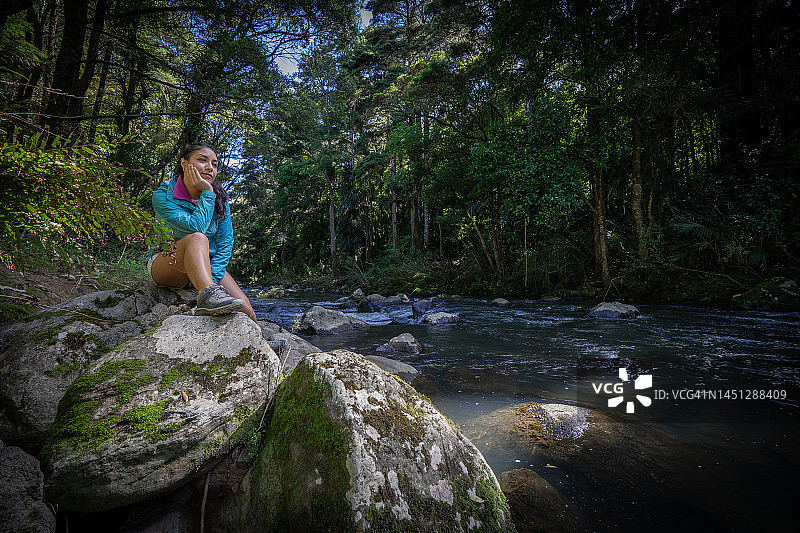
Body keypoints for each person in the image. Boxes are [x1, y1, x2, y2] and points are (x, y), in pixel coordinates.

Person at [149, 142, 257, 322]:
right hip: (167, 262)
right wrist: (207, 192)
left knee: (247, 311)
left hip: (206, 264)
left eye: (214, 164)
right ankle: (207, 296)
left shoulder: (220, 199)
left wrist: (212, 276)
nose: (210, 168)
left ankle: (260, 346)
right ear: (184, 163)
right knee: (197, 237)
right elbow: (195, 227)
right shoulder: (162, 196)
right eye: (202, 160)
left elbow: (225, 242)